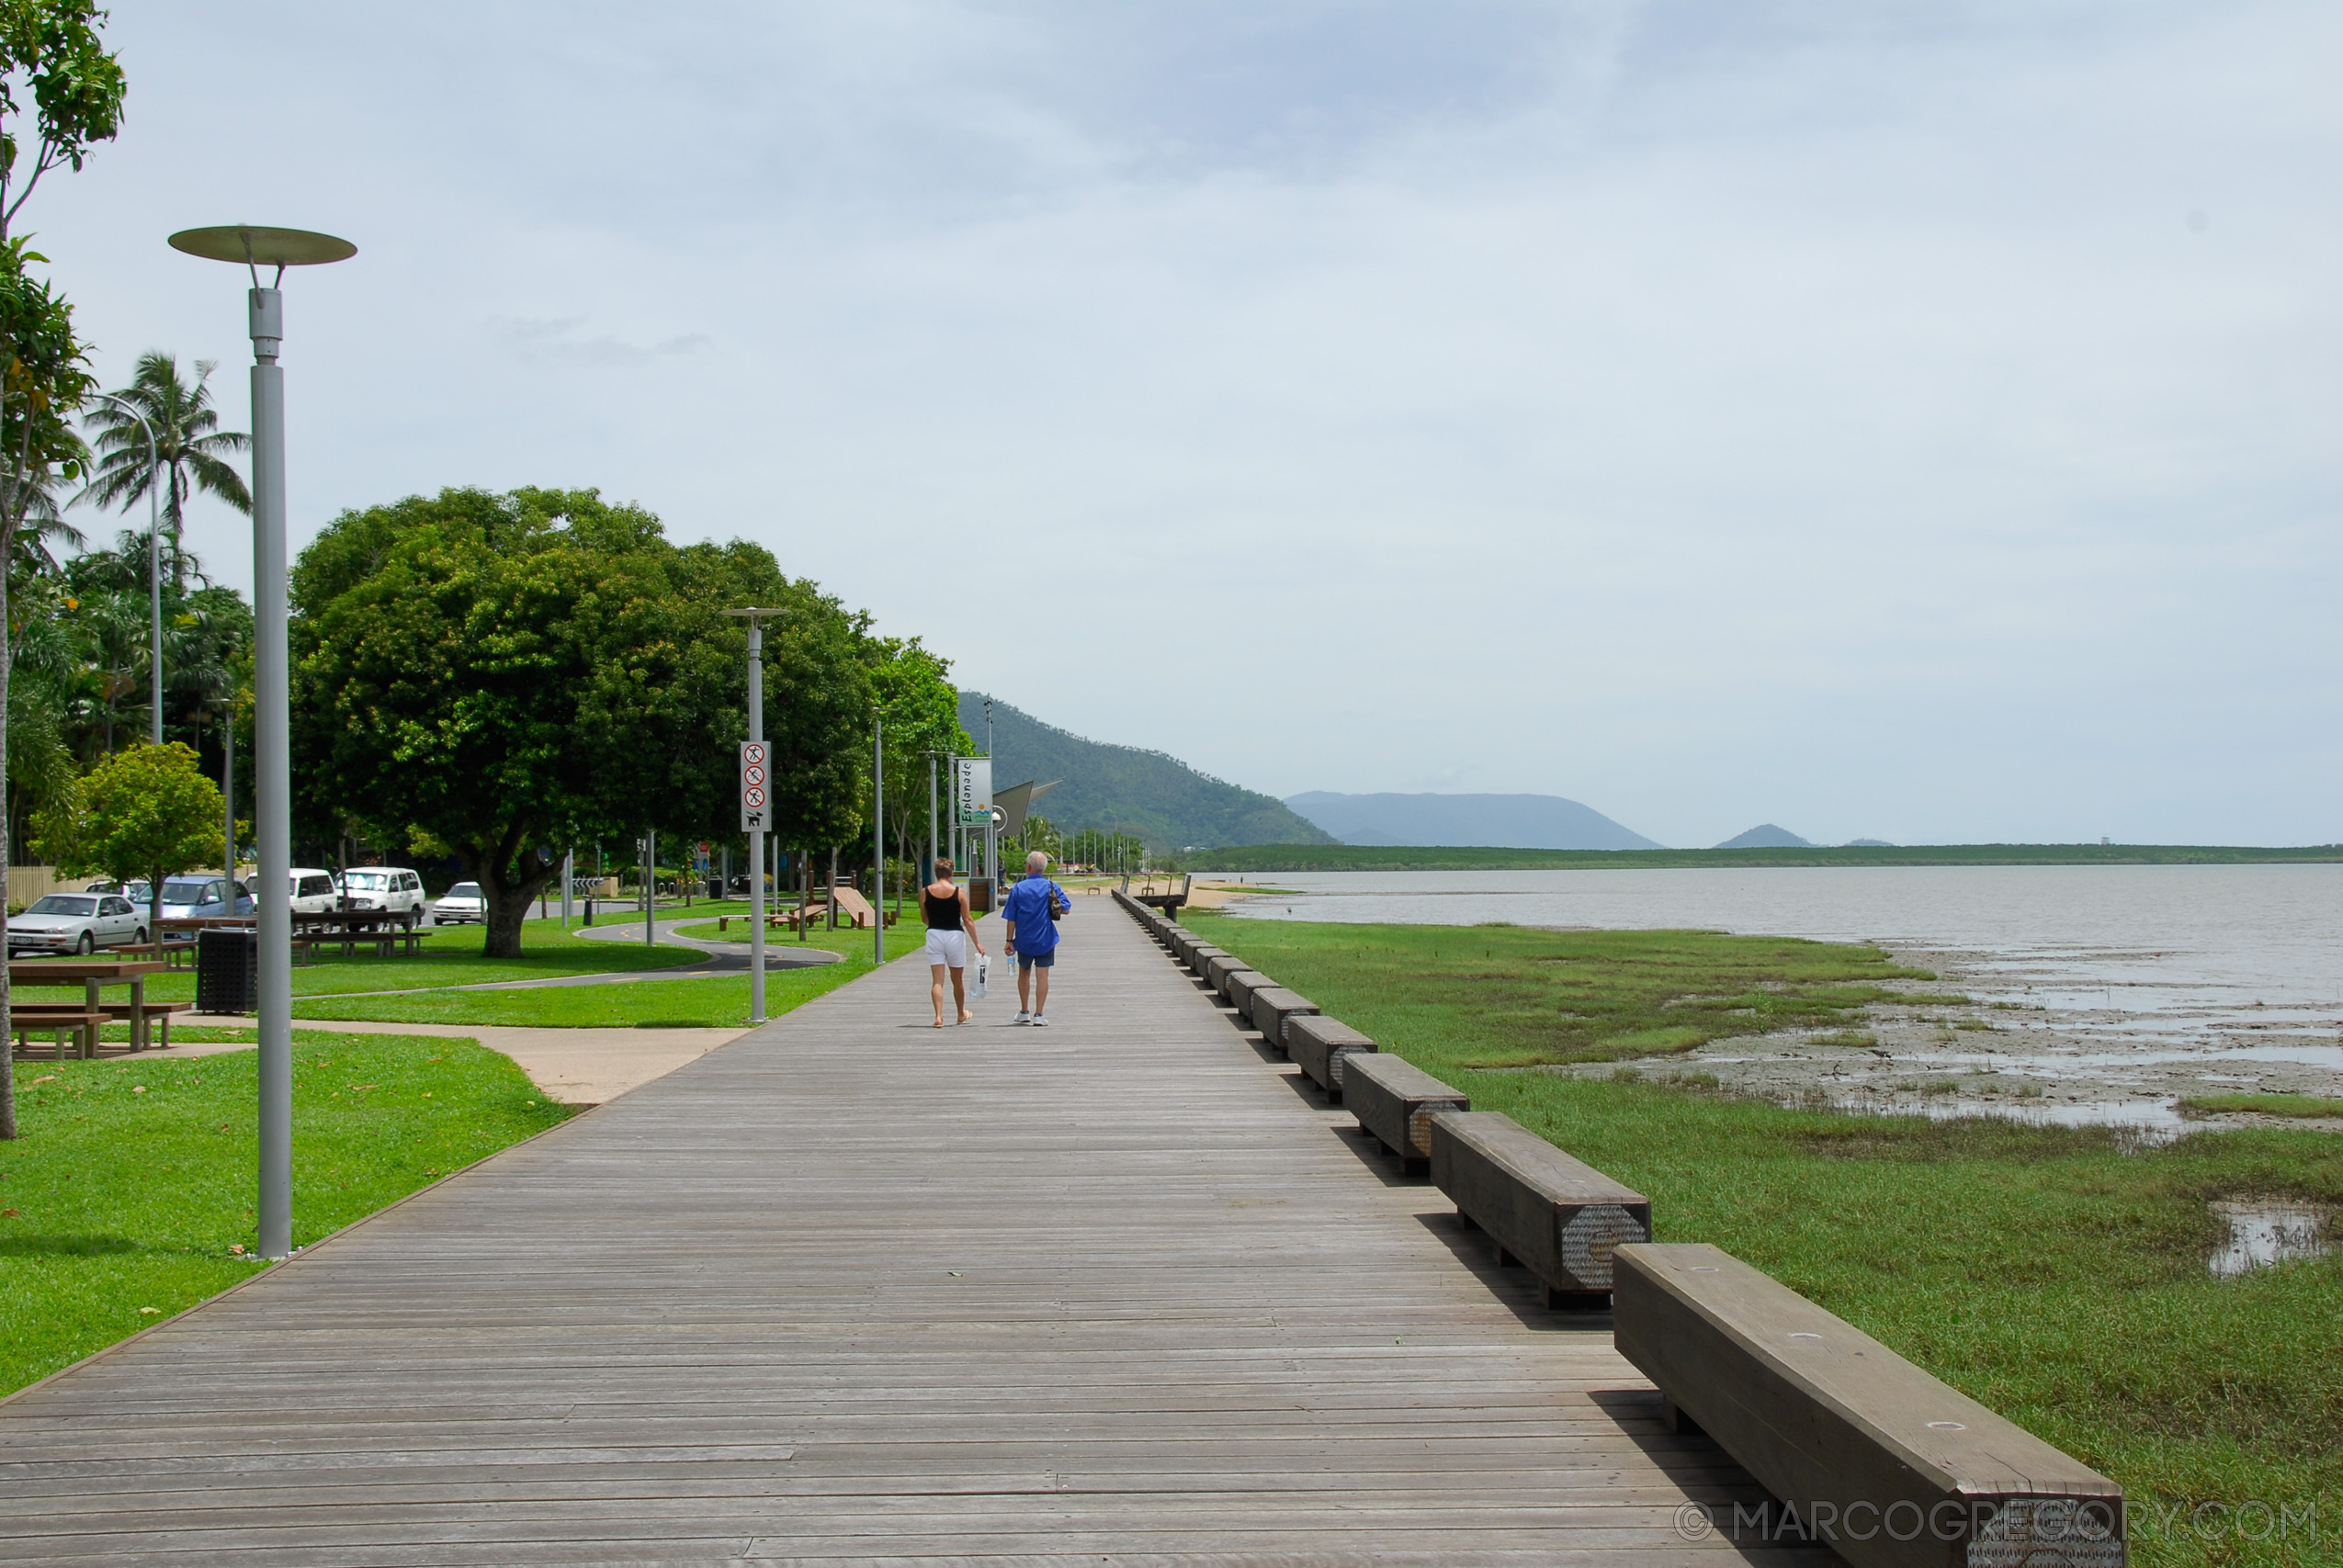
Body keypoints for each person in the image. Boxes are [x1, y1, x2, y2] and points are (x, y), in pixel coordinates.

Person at [1001, 849, 1070, 1025]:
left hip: (1024, 939)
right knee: (1043, 975)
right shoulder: (1051, 887)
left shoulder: (1018, 888)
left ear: (1029, 867)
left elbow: (1011, 917)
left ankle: (1024, 1011)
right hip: (1046, 938)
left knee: (1024, 973)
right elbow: (1066, 908)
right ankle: (1039, 1014)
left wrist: (1009, 940)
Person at [922, 856, 984, 1027]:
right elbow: (968, 919)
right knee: (957, 979)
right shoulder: (959, 892)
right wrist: (977, 943)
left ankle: (939, 1016)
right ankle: (960, 1014)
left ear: (936, 873)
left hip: (934, 933)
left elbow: (924, 918)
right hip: (955, 935)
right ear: (951, 873)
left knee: (937, 981)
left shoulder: (925, 892)